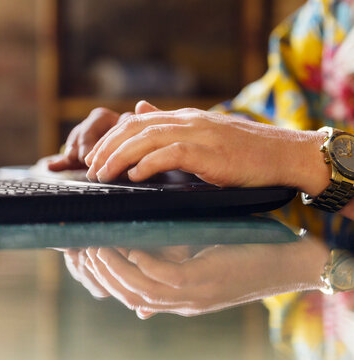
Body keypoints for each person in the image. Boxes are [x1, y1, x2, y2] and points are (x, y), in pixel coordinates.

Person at [51, 0, 354, 321]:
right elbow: (265, 119)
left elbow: (278, 147)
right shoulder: (329, 18)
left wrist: (299, 157)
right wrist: (155, 141)